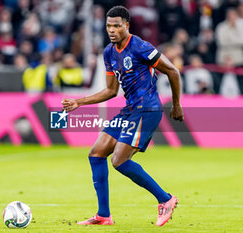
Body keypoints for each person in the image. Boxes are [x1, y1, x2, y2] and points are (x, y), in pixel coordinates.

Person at [62, 6, 183, 227]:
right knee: (96, 154)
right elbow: (110, 90)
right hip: (129, 110)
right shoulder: (109, 52)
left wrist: (176, 105)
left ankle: (166, 199)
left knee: (119, 161)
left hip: (147, 110)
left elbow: (173, 71)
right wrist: (79, 102)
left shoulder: (141, 47)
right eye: (109, 25)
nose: (112, 30)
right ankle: (103, 216)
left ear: (127, 25)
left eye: (117, 25)